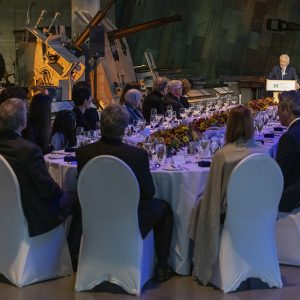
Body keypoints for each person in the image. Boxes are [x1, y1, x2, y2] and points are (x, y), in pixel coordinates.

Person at [76, 104, 174, 282]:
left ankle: (76, 258)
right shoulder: (136, 155)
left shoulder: (83, 152)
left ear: (101, 125)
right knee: (165, 209)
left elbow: (81, 186)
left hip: (93, 214)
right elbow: (148, 193)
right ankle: (162, 265)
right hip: (130, 217)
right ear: (124, 128)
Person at [189, 105, 267, 285]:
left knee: (199, 203)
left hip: (230, 213)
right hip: (259, 210)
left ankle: (192, 260)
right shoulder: (263, 152)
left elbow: (213, 196)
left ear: (229, 126)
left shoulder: (223, 156)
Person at [0, 98, 80, 258]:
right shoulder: (29, 151)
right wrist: (65, 193)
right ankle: (70, 255)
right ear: (24, 122)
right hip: (31, 212)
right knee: (80, 200)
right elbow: (48, 190)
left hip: (6, 208)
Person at [276, 90, 300, 212]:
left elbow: (277, 175)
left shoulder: (289, 138)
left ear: (287, 110)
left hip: (292, 201)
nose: (277, 113)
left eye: (279, 108)